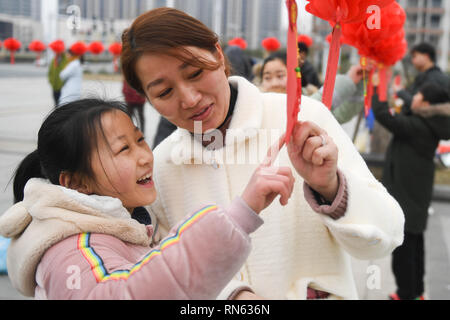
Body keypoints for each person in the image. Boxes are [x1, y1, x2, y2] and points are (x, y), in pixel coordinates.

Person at [120, 7, 404, 300]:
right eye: (165, 92)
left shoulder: (301, 118)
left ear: (218, 54)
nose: (190, 99)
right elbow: (172, 276)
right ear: (147, 100)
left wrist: (331, 187)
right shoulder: (164, 166)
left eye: (195, 73)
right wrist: (234, 297)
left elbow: (388, 236)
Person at [0, 98, 295, 299]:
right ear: (76, 182)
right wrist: (239, 215)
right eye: (123, 150)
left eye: (140, 140)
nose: (144, 156)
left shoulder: (122, 224)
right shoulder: (71, 251)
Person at [371, 80, 450, 300]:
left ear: (425, 102)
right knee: (416, 242)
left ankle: (406, 294)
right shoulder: (433, 121)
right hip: (417, 190)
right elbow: (409, 102)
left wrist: (378, 87)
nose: (412, 97)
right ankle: (416, 292)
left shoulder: (416, 126)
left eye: (418, 95)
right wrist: (403, 93)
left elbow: (382, 115)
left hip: (406, 193)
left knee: (404, 246)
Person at [260, 50, 364, 124]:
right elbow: (307, 111)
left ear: (295, 76)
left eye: (280, 76)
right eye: (267, 77)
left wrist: (357, 84)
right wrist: (348, 81)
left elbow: (340, 115)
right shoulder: (257, 107)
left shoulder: (308, 96)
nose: (274, 83)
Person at [395, 42, 450, 112]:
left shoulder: (432, 79)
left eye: (414, 56)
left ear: (426, 56)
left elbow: (417, 104)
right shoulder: (427, 76)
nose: (412, 60)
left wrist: (400, 92)